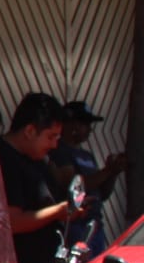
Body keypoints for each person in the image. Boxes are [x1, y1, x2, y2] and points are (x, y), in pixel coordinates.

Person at [0, 92, 82, 263]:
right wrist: (59, 211)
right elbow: (13, 222)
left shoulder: (37, 160)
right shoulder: (4, 160)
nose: (54, 145)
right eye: (50, 137)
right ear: (30, 131)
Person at [50, 100, 127, 255]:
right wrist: (107, 171)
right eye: (85, 124)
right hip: (75, 225)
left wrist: (113, 173)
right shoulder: (59, 151)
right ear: (71, 125)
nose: (89, 130)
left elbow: (102, 193)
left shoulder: (87, 156)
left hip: (95, 224)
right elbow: (73, 186)